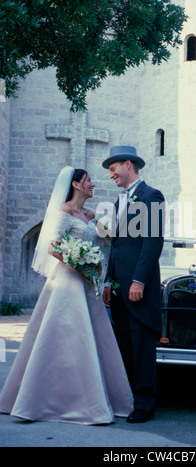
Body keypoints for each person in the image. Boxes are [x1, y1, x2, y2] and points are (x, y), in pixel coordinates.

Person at [0, 166, 133, 425]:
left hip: (88, 284)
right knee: (64, 336)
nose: (93, 184)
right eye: (89, 180)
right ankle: (49, 400)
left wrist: (95, 265)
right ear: (76, 185)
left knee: (92, 338)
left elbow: (105, 243)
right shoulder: (64, 213)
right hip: (67, 281)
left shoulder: (90, 214)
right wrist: (81, 263)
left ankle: (99, 398)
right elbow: (52, 246)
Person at [102, 146, 165, 424]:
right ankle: (128, 401)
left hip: (139, 288)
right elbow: (116, 247)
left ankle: (144, 405)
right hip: (118, 289)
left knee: (141, 348)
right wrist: (108, 281)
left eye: (113, 168)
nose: (111, 174)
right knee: (125, 346)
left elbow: (152, 244)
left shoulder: (152, 196)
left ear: (128, 164)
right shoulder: (118, 202)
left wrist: (139, 280)